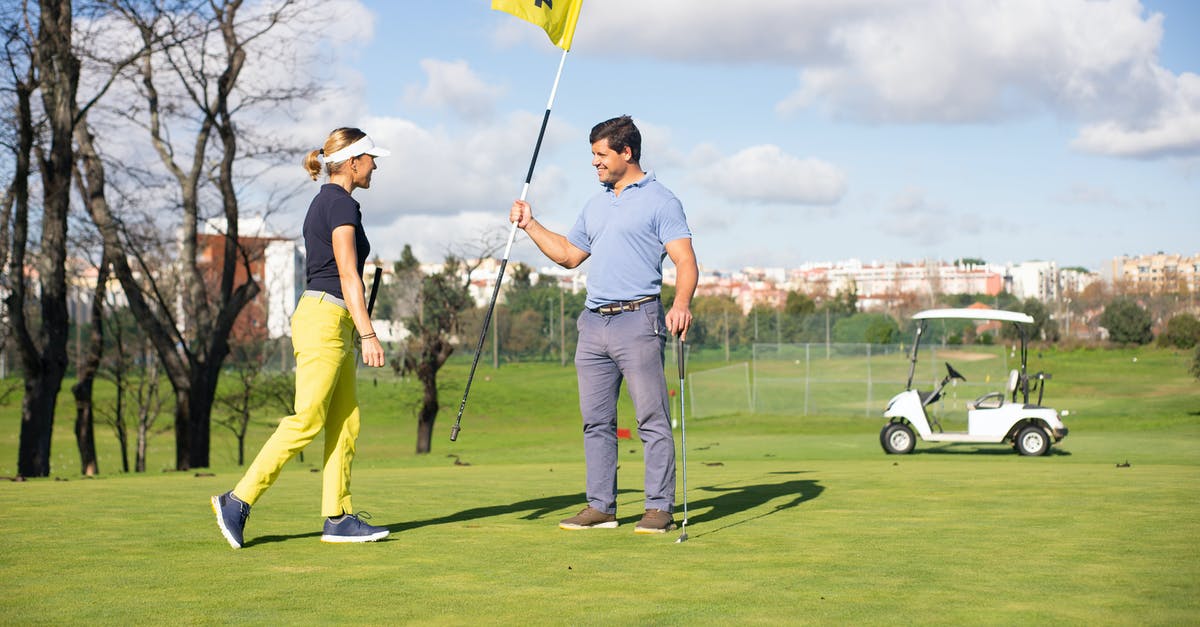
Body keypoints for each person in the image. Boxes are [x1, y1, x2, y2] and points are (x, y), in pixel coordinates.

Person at [509, 115, 698, 534]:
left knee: (651, 418)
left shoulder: (662, 202)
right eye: (592, 155)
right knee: (596, 421)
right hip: (593, 324)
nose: (594, 163)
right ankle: (601, 507)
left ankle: (658, 508)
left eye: (600, 155)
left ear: (626, 153)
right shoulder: (595, 204)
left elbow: (685, 261)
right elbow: (569, 255)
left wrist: (681, 303)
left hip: (639, 319)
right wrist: (531, 224)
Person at [211, 127, 391, 548]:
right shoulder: (341, 204)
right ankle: (237, 500)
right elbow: (348, 273)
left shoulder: (331, 202)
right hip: (326, 319)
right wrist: (368, 333)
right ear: (352, 162)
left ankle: (338, 516)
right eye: (370, 159)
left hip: (332, 318)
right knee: (307, 418)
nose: (375, 166)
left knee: (346, 420)